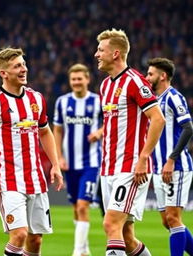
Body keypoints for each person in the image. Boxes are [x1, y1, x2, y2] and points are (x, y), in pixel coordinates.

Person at [0, 47, 63, 256]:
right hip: (8, 179)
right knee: (19, 235)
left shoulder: (36, 98)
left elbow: (45, 133)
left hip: (36, 179)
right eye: (17, 66)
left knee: (35, 239)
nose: (24, 69)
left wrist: (55, 165)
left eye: (23, 64)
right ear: (4, 73)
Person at [94, 28, 166, 256]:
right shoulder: (105, 85)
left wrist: (143, 158)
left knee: (110, 224)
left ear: (115, 54)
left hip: (131, 166)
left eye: (100, 50)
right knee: (126, 236)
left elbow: (158, 119)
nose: (96, 54)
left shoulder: (136, 82)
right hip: (108, 168)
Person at [53, 63, 103, 256]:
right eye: (73, 79)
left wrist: (99, 132)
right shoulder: (62, 102)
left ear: (87, 79)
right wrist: (59, 157)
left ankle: (76, 251)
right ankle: (85, 249)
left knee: (83, 205)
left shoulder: (98, 101)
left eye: (80, 78)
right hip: (70, 164)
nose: (76, 82)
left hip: (91, 163)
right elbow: (57, 130)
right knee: (75, 206)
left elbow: (111, 122)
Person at [146, 57, 193, 256]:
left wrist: (172, 159)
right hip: (159, 169)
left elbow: (188, 128)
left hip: (176, 167)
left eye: (150, 74)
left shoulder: (174, 97)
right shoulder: (154, 101)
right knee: (168, 221)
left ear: (162, 76)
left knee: (174, 219)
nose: (147, 77)